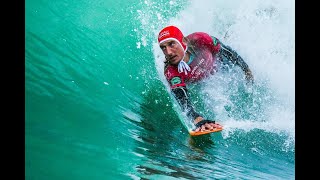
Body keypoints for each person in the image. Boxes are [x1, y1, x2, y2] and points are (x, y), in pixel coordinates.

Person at [157, 25, 254, 133]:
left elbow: (227, 52)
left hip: (221, 64)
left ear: (183, 41)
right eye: (163, 48)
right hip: (200, 81)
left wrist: (246, 70)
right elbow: (181, 95)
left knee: (227, 42)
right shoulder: (171, 71)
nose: (168, 52)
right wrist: (196, 118)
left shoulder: (201, 39)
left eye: (171, 44)